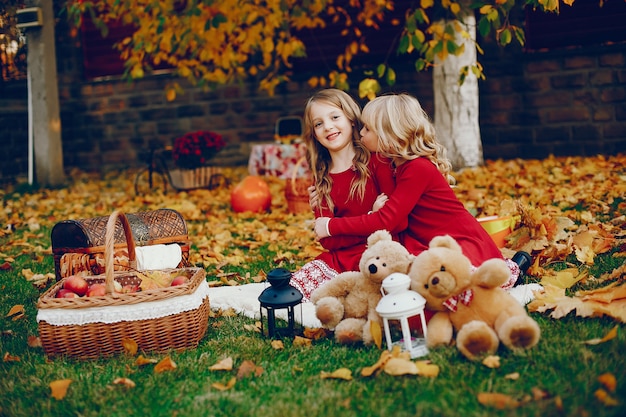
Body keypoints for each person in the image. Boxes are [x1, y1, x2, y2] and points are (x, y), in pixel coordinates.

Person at [313, 93, 523, 288]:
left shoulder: (416, 169)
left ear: (387, 135)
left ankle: (513, 273)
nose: (361, 133)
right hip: (423, 243)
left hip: (456, 243)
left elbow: (390, 220)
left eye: (367, 129)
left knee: (437, 283)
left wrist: (332, 225)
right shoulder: (397, 166)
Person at [289, 89, 401, 300]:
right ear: (313, 132)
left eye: (334, 117)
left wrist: (339, 228)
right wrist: (371, 218)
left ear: (350, 119)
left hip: (382, 251)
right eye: (318, 123)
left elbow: (391, 221)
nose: (328, 127)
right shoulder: (321, 178)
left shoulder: (377, 162)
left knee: (387, 286)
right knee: (297, 287)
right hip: (342, 257)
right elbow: (328, 241)